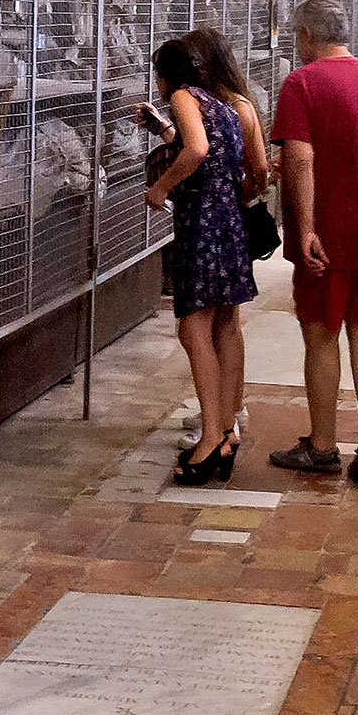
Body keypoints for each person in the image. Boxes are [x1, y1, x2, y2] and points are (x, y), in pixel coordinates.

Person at [267, 0, 358, 486]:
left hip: (330, 231)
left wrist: (303, 230)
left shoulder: (302, 82)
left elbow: (301, 159)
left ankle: (323, 446)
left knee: (322, 334)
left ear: (306, 36)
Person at [139, 37, 255, 485]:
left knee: (193, 328)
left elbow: (197, 150)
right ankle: (225, 431)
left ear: (167, 74)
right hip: (228, 222)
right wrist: (164, 133)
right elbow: (209, 149)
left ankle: (209, 439)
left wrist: (161, 187)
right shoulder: (221, 103)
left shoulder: (184, 96)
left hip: (202, 224)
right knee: (225, 324)